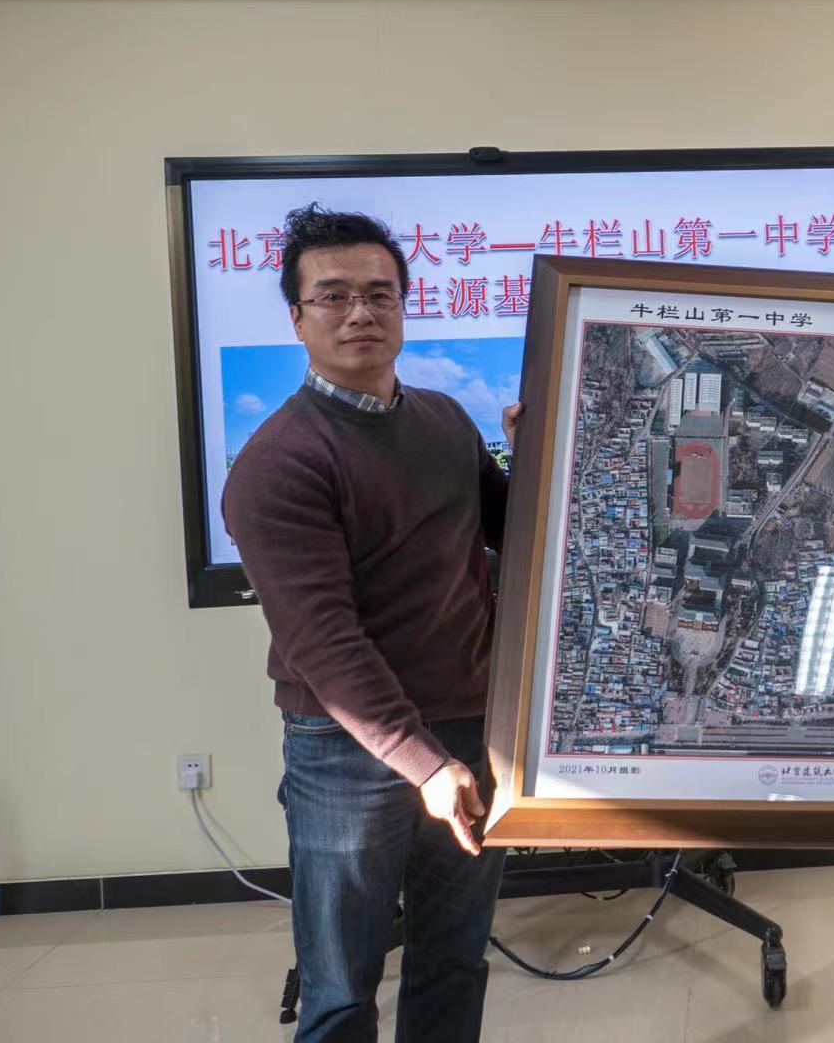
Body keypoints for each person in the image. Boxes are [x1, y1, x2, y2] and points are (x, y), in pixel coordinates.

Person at [222, 203, 518, 1043]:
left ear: (403, 305)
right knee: (342, 988)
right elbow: (324, 644)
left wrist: (544, 448)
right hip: (346, 752)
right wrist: (424, 764)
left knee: (454, 959)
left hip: (468, 725)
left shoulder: (445, 420)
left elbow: (514, 532)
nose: (360, 312)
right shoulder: (278, 462)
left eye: (380, 294)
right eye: (334, 296)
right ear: (298, 318)